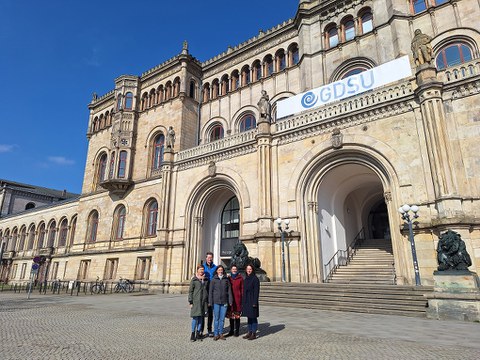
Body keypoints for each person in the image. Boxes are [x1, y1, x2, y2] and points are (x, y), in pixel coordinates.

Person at [208, 265, 232, 340]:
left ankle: (221, 333)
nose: (220, 271)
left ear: (223, 271)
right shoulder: (213, 280)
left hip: (224, 302)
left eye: (221, 270)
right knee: (216, 319)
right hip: (216, 302)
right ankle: (216, 334)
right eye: (219, 270)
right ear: (217, 271)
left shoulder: (226, 279)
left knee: (222, 319)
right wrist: (210, 302)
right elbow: (210, 292)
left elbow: (229, 291)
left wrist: (230, 300)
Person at [188, 265, 208, 342]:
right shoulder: (194, 280)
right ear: (197, 270)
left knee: (201, 318)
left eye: (202, 270)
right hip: (196, 302)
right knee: (195, 318)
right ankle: (192, 333)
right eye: (200, 270)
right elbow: (190, 291)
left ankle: (198, 333)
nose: (201, 271)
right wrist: (190, 301)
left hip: (203, 302)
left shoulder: (205, 280)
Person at [242, 264, 260, 340]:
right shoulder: (246, 278)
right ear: (246, 270)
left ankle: (254, 333)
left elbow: (256, 291)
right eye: (247, 269)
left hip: (252, 300)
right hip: (247, 300)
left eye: (250, 269)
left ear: (252, 270)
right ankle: (249, 332)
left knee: (253, 317)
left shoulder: (255, 279)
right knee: (249, 317)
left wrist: (255, 302)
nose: (249, 270)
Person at [202, 252, 217, 337]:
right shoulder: (202, 267)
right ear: (206, 258)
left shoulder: (215, 267)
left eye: (211, 257)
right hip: (205, 290)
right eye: (208, 257)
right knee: (203, 312)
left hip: (213, 291)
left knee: (210, 313)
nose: (210, 259)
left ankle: (209, 329)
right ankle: (200, 330)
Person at [227, 264, 244, 337]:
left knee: (237, 316)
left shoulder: (240, 278)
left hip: (237, 299)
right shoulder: (228, 278)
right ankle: (231, 330)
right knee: (231, 316)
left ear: (237, 270)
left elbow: (242, 289)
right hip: (231, 300)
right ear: (231, 270)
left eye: (235, 269)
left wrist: (242, 298)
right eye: (233, 269)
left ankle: (237, 331)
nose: (234, 270)